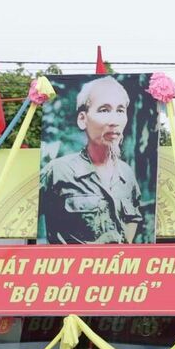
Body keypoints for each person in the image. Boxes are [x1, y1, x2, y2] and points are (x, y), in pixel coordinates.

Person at [38, 75, 145, 244]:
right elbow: (21, 215)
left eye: (120, 110)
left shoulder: (126, 174)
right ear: (83, 119)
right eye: (104, 110)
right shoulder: (58, 171)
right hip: (71, 268)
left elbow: (134, 219)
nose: (114, 121)